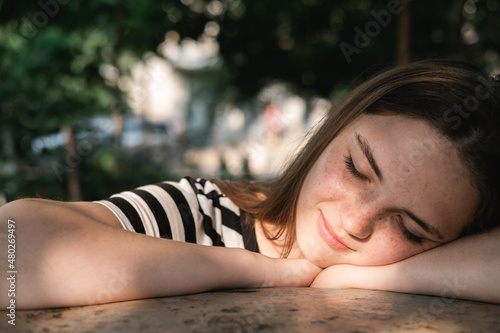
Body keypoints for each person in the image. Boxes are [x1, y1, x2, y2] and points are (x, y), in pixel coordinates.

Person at [1, 59, 500, 310]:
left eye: (410, 230)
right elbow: (11, 248)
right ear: (337, 127)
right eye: (356, 167)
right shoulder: (200, 214)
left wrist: (363, 279)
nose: (353, 221)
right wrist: (266, 273)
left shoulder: (430, 267)